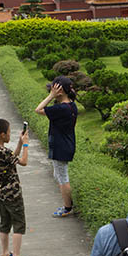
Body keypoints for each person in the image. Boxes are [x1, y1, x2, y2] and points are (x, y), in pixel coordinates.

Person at [0, 118, 34, 256]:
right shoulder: (4, 152)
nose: (10, 134)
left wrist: (20, 144)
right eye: (9, 132)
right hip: (13, 193)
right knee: (19, 223)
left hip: (2, 192)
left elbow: (12, 158)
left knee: (5, 222)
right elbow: (23, 161)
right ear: (3, 135)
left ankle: (5, 253)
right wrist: (27, 145)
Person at [35, 76, 78, 218]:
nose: (50, 91)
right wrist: (54, 95)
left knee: (62, 176)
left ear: (59, 92)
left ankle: (67, 207)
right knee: (59, 175)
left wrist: (50, 96)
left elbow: (38, 109)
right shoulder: (71, 105)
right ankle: (68, 204)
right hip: (66, 144)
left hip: (60, 146)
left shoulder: (60, 108)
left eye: (53, 89)